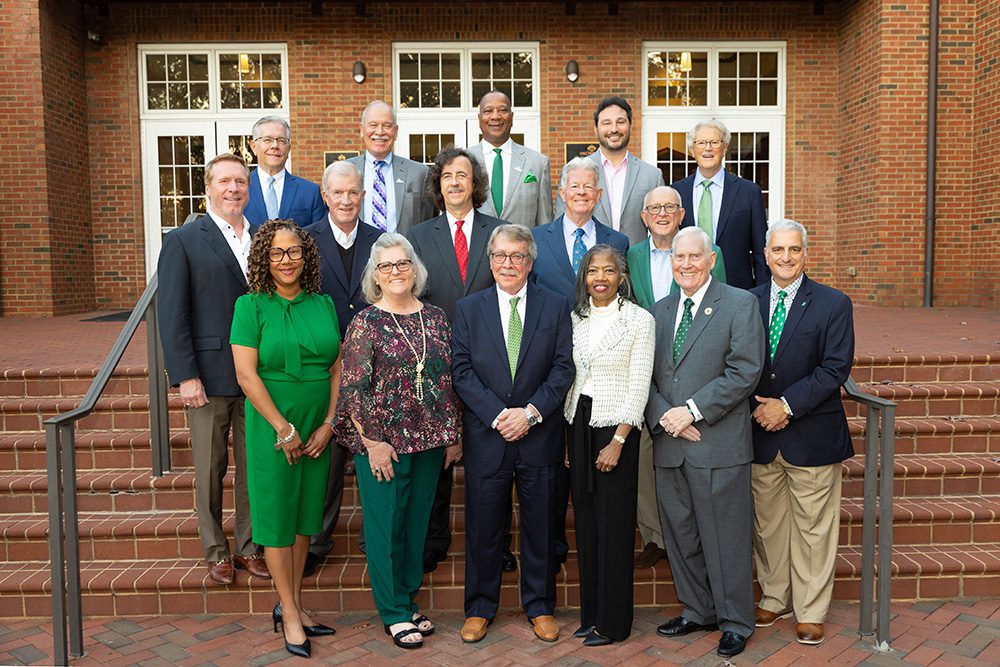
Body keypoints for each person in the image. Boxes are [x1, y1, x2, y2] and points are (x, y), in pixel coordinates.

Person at [335, 234, 462, 650]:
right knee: (386, 527)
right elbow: (354, 389)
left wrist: (452, 435)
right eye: (386, 266)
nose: (395, 272)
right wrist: (372, 442)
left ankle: (407, 601)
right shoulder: (366, 322)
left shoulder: (436, 318)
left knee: (415, 525)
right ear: (375, 275)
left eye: (402, 263)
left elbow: (448, 380)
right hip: (384, 445)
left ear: (415, 269)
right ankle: (392, 611)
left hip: (429, 442)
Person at [452, 224, 575, 645]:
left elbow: (563, 368)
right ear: (490, 261)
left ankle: (540, 606)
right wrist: (499, 414)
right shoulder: (468, 309)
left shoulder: (555, 306)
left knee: (540, 528)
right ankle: (479, 608)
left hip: (538, 435)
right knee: (483, 529)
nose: (509, 264)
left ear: (530, 262)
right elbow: (461, 371)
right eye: (501, 256)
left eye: (518, 256)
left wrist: (531, 414)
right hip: (488, 437)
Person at [647, 227, 765, 659]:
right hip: (670, 443)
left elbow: (744, 371)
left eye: (694, 256)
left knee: (725, 539)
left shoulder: (739, 303)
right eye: (679, 257)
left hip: (717, 444)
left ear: (711, 259)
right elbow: (645, 375)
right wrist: (666, 416)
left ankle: (735, 621)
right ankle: (699, 609)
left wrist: (692, 411)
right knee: (681, 534)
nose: (686, 264)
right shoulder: (658, 312)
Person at [230, 220, 342, 658]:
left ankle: (292, 602)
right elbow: (246, 375)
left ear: (306, 256)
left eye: (294, 251)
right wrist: (283, 427)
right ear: (264, 259)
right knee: (278, 518)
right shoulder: (250, 305)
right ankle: (290, 614)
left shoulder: (324, 303)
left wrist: (330, 423)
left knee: (304, 518)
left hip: (317, 426)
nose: (286, 260)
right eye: (276, 253)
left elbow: (336, 368)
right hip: (272, 425)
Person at [157, 153, 269, 586]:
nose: (233, 189)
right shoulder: (184, 240)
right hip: (207, 374)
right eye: (224, 181)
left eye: (240, 181)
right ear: (208, 188)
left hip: (258, 374)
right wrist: (185, 375)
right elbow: (173, 313)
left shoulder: (263, 236)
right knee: (209, 467)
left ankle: (248, 546)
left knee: (252, 466)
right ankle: (215, 549)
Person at [749, 220, 855, 647]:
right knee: (768, 525)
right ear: (765, 254)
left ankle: (810, 610)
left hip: (811, 434)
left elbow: (834, 368)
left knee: (814, 528)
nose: (786, 257)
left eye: (794, 249)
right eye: (778, 249)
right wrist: (761, 409)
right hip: (760, 434)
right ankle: (775, 596)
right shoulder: (747, 301)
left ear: (806, 254)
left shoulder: (834, 303)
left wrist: (787, 406)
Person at [406, 147, 504, 572]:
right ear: (438, 184)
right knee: (437, 455)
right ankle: (434, 539)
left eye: (462, 175)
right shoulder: (418, 236)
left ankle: (496, 544)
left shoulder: (499, 232)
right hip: (434, 359)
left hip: (492, 358)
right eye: (447, 176)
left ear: (475, 183)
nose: (455, 182)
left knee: (492, 459)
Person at [627, 186, 726, 569]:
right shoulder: (632, 255)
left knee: (690, 459)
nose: (662, 213)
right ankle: (655, 536)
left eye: (670, 206)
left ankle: (693, 538)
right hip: (646, 369)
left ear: (682, 213)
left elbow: (721, 309)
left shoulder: (708, 253)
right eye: (654, 208)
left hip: (696, 374)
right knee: (645, 458)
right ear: (644, 216)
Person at [563, 245, 654, 646]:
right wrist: (570, 438)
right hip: (579, 424)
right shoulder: (575, 319)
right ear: (584, 278)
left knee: (614, 526)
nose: (600, 278)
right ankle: (591, 615)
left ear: (622, 277)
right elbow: (572, 378)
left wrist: (618, 440)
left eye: (609, 271)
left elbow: (639, 385)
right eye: (592, 271)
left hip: (616, 429)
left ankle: (614, 623)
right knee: (586, 525)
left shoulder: (639, 320)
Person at [301, 161, 383, 577]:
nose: (346, 200)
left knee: (375, 452)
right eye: (338, 192)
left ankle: (375, 539)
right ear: (325, 195)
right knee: (329, 460)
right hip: (325, 365)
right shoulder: (306, 241)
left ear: (363, 196)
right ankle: (317, 540)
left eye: (353, 192)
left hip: (374, 365)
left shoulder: (381, 240)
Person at [672, 119, 769, 290]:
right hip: (688, 287)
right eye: (701, 143)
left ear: (724, 148)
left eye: (714, 142)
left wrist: (762, 294)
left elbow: (761, 251)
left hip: (737, 289)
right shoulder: (677, 192)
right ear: (692, 150)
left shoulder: (749, 192)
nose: (708, 148)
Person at [555, 96, 664, 244]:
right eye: (606, 123)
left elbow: (662, 227)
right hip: (590, 256)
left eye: (620, 122)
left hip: (633, 257)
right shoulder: (574, 172)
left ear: (630, 126)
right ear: (596, 129)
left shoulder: (652, 175)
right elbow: (561, 224)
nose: (614, 129)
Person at [348, 101, 434, 234]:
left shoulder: (420, 173)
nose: (380, 132)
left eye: (387, 126)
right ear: (362, 129)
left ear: (396, 131)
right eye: (373, 125)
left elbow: (429, 222)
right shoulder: (345, 171)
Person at [470, 90, 553, 227]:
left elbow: (545, 223)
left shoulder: (538, 163)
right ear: (479, 118)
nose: (495, 116)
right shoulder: (463, 161)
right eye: (488, 111)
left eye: (503, 110)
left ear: (512, 117)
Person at [244, 116, 327, 227]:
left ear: (289, 148)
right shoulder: (241, 189)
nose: (275, 146)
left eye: (281, 141)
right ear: (254, 146)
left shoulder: (310, 192)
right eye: (267, 140)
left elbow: (320, 233)